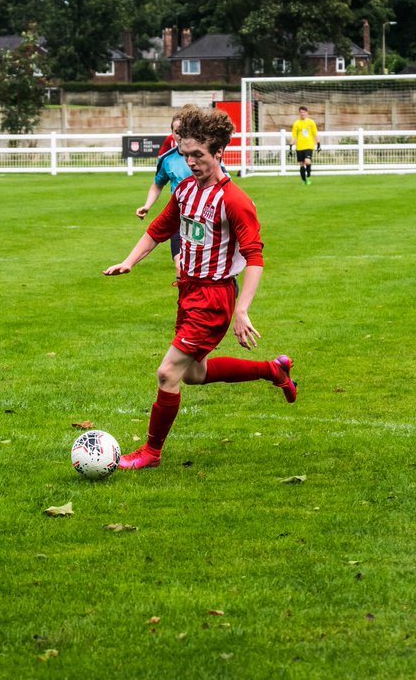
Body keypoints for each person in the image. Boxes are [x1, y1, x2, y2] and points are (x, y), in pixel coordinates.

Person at [103, 105, 297, 470]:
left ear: (219, 152)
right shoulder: (185, 192)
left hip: (214, 297)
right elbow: (159, 230)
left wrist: (242, 310)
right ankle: (273, 371)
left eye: (198, 155)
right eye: (185, 154)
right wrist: (130, 261)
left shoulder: (234, 200)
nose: (190, 162)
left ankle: (151, 452)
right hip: (188, 291)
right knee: (193, 374)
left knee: (167, 373)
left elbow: (255, 257)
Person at [136, 112, 192, 262]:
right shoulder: (167, 159)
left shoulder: (205, 156)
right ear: (172, 134)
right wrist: (147, 205)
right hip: (179, 215)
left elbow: (225, 182)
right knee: (180, 263)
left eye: (184, 130)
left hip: (204, 216)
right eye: (177, 132)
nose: (181, 135)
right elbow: (157, 184)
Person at [291, 106, 317, 185]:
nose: (303, 114)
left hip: (309, 145)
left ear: (307, 113)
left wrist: (318, 143)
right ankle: (304, 180)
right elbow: (294, 135)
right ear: (299, 113)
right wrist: (291, 145)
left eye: (304, 112)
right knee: (302, 164)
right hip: (299, 147)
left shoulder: (311, 122)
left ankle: (308, 175)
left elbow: (315, 134)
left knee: (307, 161)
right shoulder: (296, 123)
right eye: (301, 112)